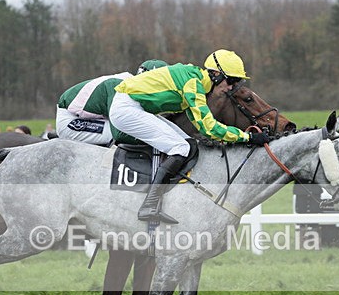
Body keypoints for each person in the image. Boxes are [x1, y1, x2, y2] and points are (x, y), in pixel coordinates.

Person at [109, 50, 269, 224]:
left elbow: (201, 125)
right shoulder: (193, 83)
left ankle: (161, 200)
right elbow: (209, 127)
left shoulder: (196, 82)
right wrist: (247, 137)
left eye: (237, 82)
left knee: (187, 143)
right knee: (180, 148)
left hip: (133, 106)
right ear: (215, 75)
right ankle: (149, 204)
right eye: (230, 80)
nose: (232, 87)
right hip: (127, 107)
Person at [56, 59, 169, 147]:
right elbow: (119, 133)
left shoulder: (131, 84)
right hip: (70, 120)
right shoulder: (120, 87)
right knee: (128, 132)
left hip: (90, 116)